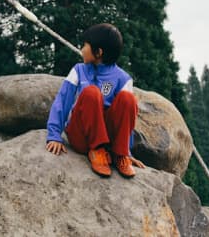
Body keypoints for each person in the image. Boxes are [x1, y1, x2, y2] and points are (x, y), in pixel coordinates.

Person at [45, 23, 145, 178]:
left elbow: (126, 119)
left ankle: (119, 155)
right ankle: (97, 150)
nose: (82, 49)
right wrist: (54, 135)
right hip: (82, 136)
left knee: (128, 99)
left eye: (85, 45)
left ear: (98, 52)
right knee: (91, 93)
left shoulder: (123, 78)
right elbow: (62, 101)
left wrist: (127, 150)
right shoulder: (79, 70)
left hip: (108, 138)